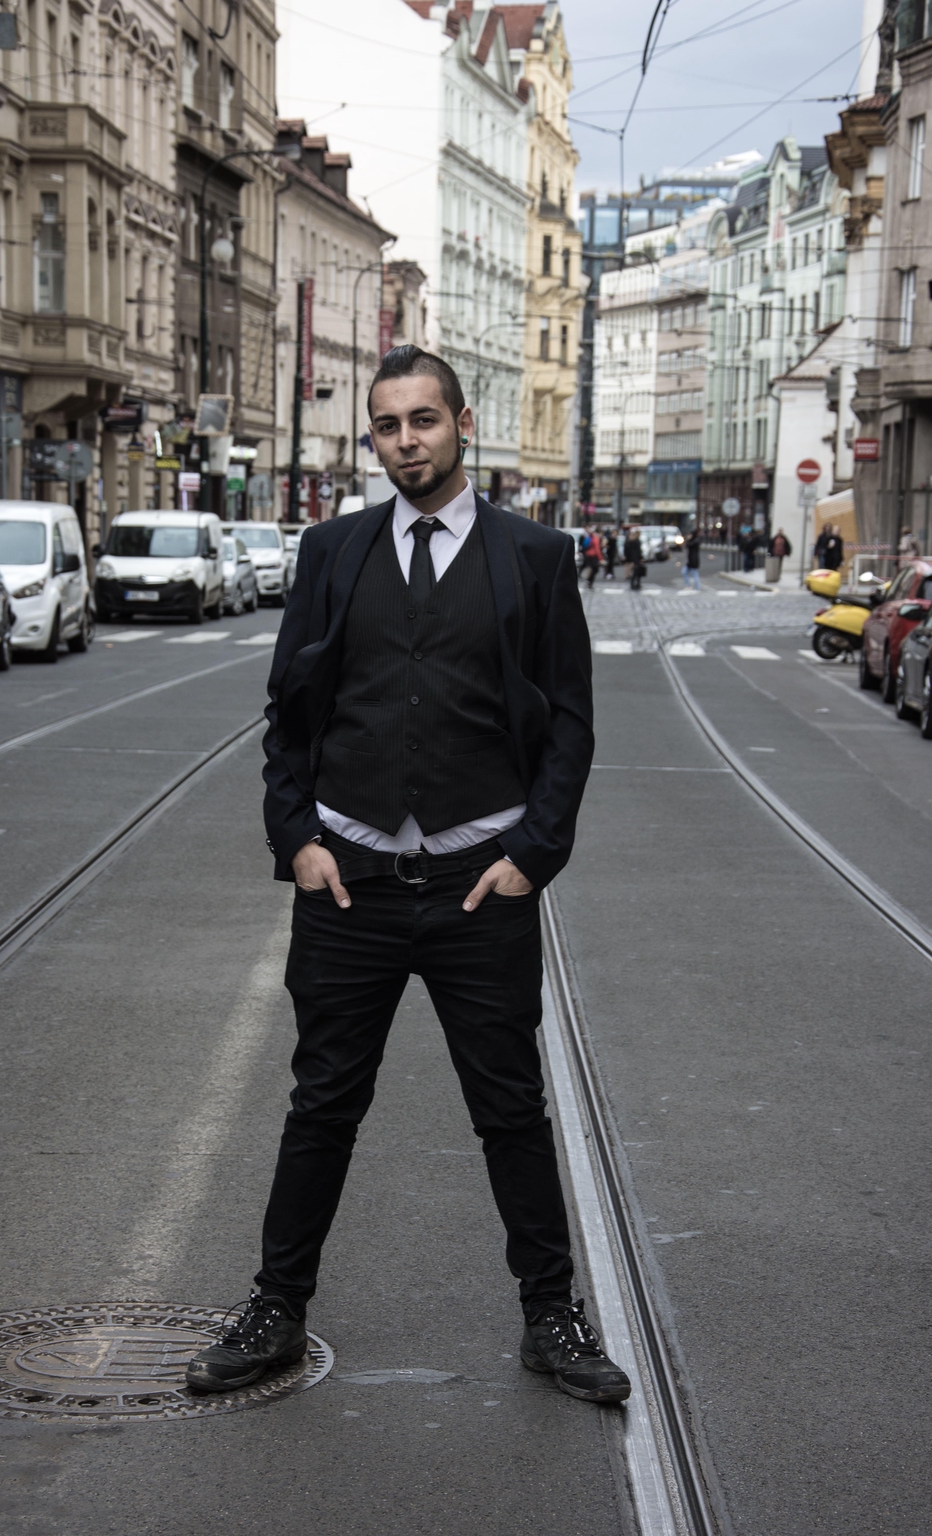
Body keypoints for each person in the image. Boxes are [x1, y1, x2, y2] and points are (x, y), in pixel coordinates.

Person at [186, 344, 630, 1407]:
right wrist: (296, 839)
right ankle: (276, 1308)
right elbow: (287, 718)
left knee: (510, 1106)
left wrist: (533, 856)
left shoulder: (531, 557)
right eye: (386, 426)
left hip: (482, 880)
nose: (405, 442)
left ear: (461, 423)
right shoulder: (332, 551)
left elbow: (569, 725)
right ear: (372, 437)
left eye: (422, 421)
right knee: (321, 1102)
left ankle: (550, 1315)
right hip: (351, 882)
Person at [623, 526, 643, 590]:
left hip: (636, 559)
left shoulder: (636, 542)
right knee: (635, 572)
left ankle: (636, 583)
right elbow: (634, 552)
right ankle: (633, 584)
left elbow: (638, 551)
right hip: (634, 559)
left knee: (637, 572)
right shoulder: (631, 542)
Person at [682, 525, 702, 589]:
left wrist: (688, 539)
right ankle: (689, 585)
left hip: (693, 561)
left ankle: (697, 587)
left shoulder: (696, 541)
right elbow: (686, 546)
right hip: (690, 561)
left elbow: (688, 545)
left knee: (695, 575)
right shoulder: (694, 540)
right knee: (684, 572)